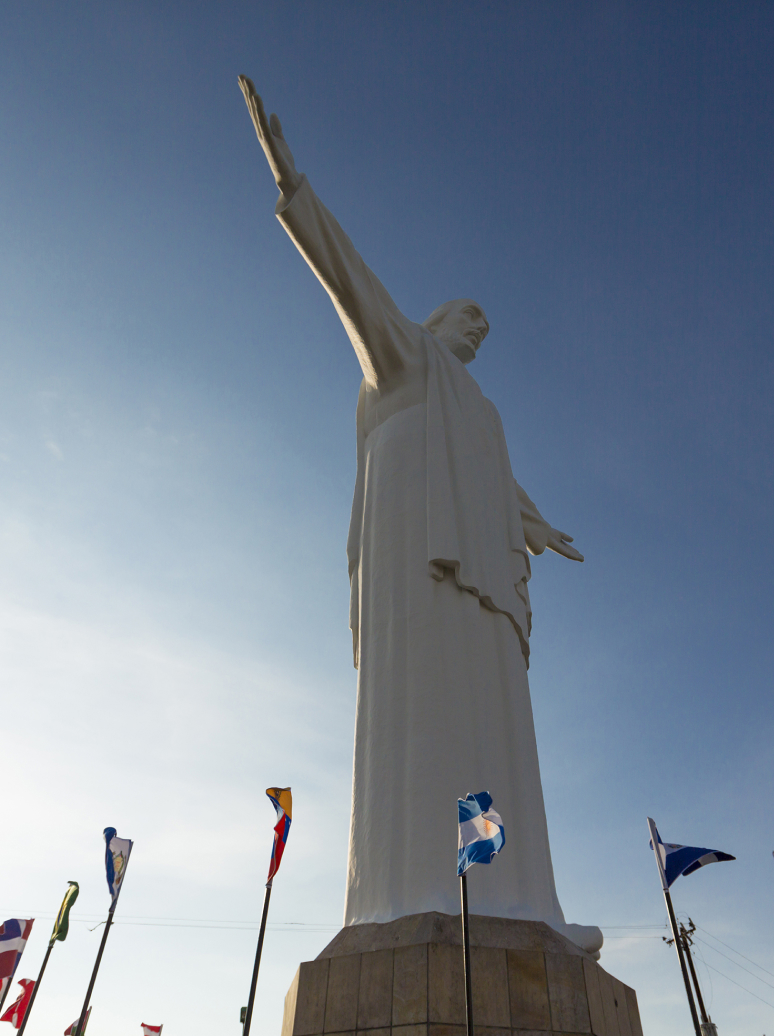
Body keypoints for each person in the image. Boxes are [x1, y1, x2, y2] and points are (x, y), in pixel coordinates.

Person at [238, 77, 599, 951]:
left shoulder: (476, 409)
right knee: (423, 713)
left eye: (484, 329)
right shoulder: (403, 363)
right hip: (419, 564)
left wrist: (534, 526)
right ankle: (404, 898)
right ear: (434, 324)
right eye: (467, 319)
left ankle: (523, 904)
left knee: (494, 715)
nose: (478, 331)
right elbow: (351, 285)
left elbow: (492, 482)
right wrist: (297, 194)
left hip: (480, 575)